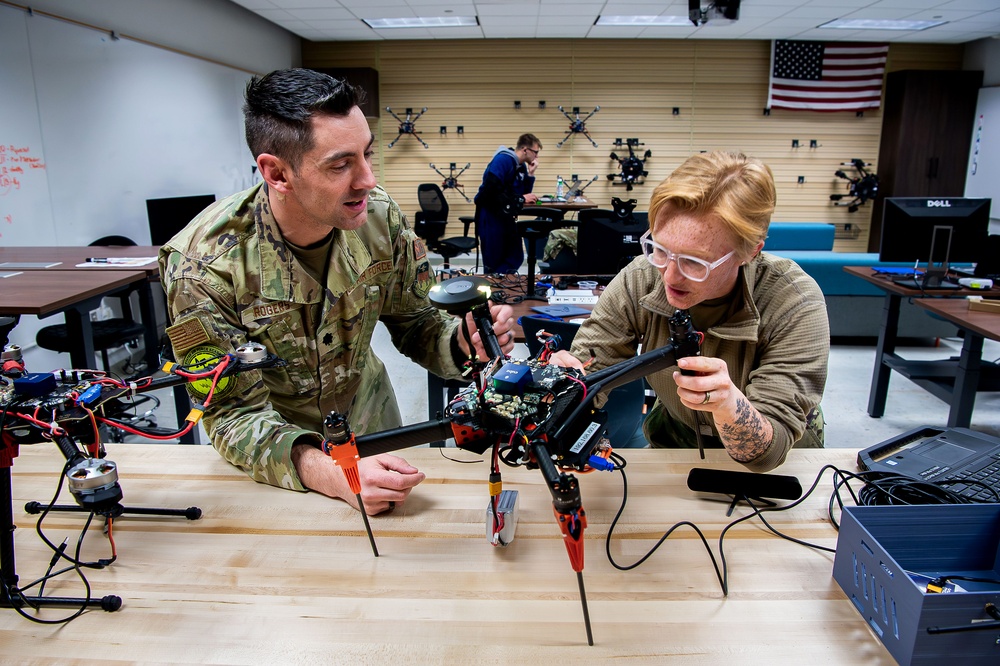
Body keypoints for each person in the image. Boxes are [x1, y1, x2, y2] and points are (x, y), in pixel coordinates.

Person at [159, 69, 516, 515]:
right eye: (340, 164)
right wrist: (333, 474)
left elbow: (417, 319)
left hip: (374, 427)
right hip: (280, 460)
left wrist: (462, 341)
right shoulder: (203, 267)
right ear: (277, 173)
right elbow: (231, 415)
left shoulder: (377, 218)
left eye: (367, 154)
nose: (367, 179)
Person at [550, 151, 828, 472]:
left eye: (695, 261)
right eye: (660, 248)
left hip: (779, 453)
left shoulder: (793, 301)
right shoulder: (642, 276)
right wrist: (571, 405)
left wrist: (727, 405)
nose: (669, 275)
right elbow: (589, 368)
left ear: (750, 252)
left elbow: (768, 450)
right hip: (676, 433)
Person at [474, 134, 541, 273]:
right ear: (525, 149)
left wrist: (531, 174)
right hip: (490, 214)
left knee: (515, 256)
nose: (537, 157)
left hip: (506, 216)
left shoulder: (521, 167)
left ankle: (501, 283)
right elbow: (490, 192)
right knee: (493, 259)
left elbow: (523, 193)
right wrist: (520, 199)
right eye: (535, 152)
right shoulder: (503, 160)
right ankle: (493, 286)